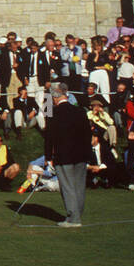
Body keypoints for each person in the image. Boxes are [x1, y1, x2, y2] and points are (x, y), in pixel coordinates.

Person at [44, 81, 90, 227]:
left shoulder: (52, 112)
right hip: (81, 155)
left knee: (68, 187)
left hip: (64, 156)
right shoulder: (80, 111)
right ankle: (77, 214)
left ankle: (73, 218)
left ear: (55, 96)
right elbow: (87, 134)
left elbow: (49, 136)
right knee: (79, 187)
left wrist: (47, 156)